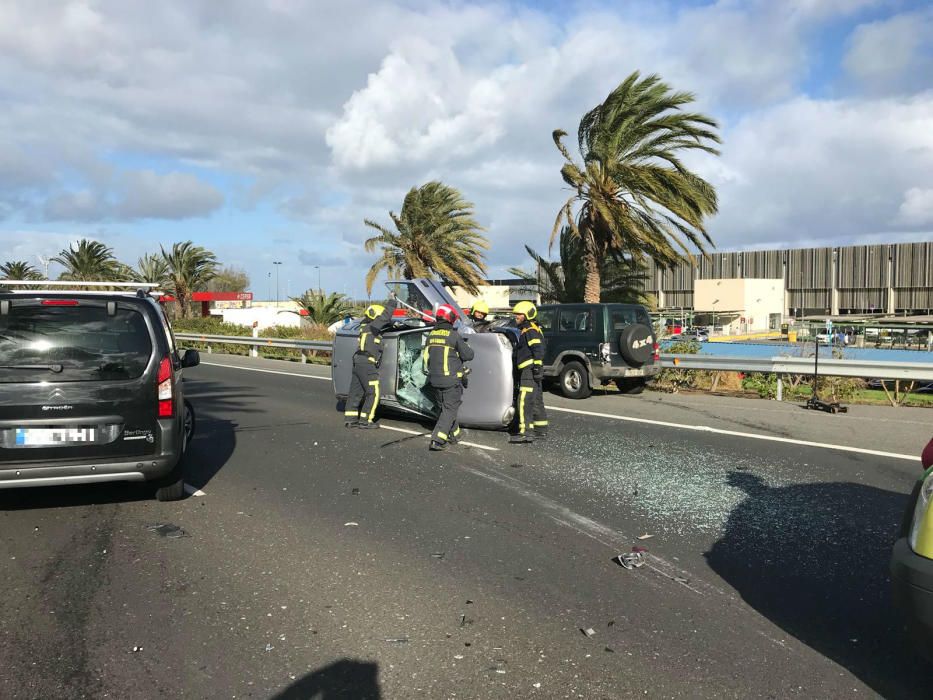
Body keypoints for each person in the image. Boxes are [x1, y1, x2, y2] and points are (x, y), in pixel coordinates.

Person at [424, 304, 474, 451]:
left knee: (444, 409)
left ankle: (455, 434)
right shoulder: (453, 335)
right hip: (451, 381)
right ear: (450, 318)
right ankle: (437, 440)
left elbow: (426, 358)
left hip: (434, 380)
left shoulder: (431, 335)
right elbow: (469, 355)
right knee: (449, 410)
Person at [345, 304, 392, 429]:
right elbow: (386, 317)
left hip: (358, 362)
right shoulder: (373, 327)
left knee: (356, 392)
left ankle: (350, 419)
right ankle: (365, 421)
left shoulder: (365, 327)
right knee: (373, 392)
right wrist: (392, 301)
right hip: (367, 364)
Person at [510, 301, 548, 444]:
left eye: (519, 314)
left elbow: (538, 349)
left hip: (529, 370)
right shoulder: (530, 329)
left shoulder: (530, 330)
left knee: (524, 401)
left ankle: (525, 432)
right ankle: (540, 430)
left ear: (527, 315)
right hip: (533, 370)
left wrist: (537, 366)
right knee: (536, 400)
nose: (517, 317)